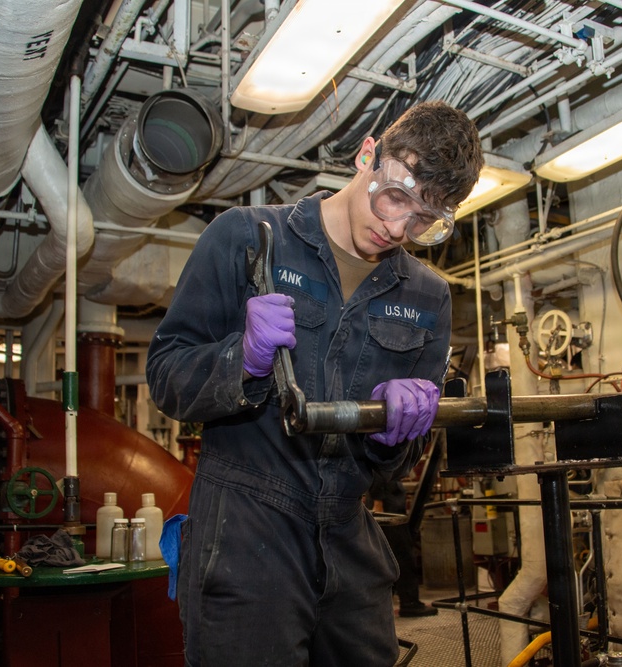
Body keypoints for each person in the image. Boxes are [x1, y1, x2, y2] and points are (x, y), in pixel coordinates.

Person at [146, 100, 483, 666]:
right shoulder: (246, 238)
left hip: (349, 538)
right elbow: (166, 376)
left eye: (423, 220)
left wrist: (393, 433)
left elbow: (395, 467)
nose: (397, 229)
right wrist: (240, 359)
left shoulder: (427, 297)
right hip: (244, 533)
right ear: (367, 155)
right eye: (395, 198)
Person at [367, 475, 439, 618]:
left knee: (392, 556)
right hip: (388, 506)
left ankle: (398, 603)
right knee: (403, 556)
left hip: (390, 503)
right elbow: (379, 471)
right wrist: (378, 501)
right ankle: (410, 604)